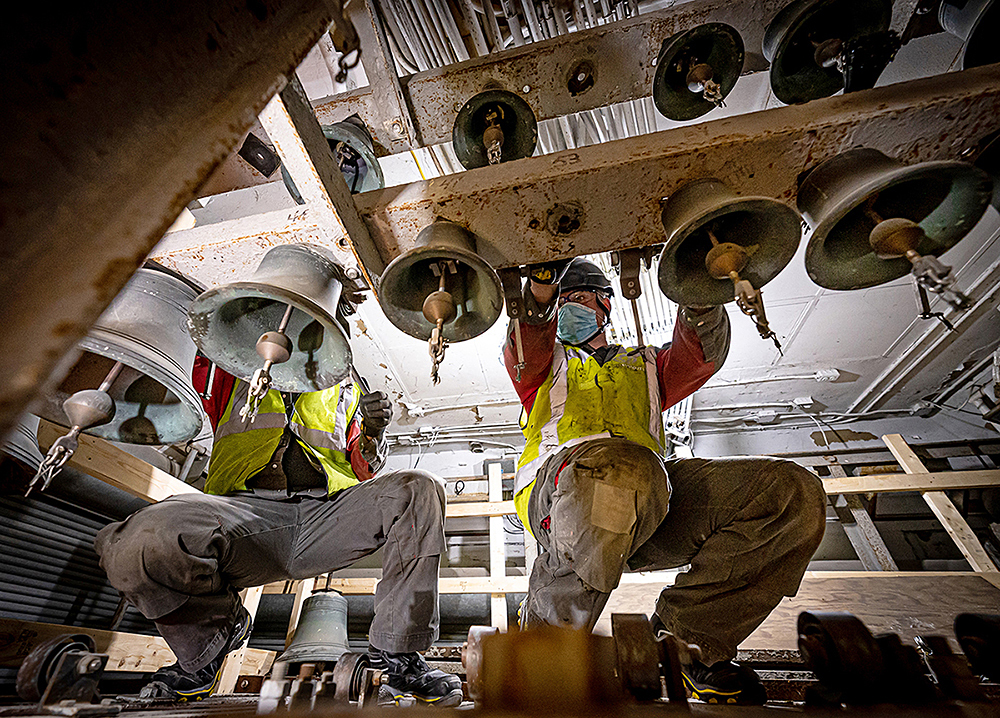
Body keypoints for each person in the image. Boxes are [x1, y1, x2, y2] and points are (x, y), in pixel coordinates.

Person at [503, 257, 827, 705]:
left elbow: (702, 353)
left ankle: (688, 643)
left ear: (605, 305)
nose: (566, 310)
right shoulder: (543, 368)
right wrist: (540, 288)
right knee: (618, 471)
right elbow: (526, 345)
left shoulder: (649, 365)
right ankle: (543, 649)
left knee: (788, 494)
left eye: (576, 298)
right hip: (561, 502)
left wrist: (698, 281)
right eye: (560, 303)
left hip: (649, 499)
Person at [95, 346, 463, 706]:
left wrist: (372, 430)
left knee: (419, 488)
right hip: (242, 513)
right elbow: (212, 341)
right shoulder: (233, 366)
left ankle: (400, 657)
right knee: (135, 542)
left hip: (326, 514)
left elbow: (363, 465)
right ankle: (208, 645)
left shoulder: (345, 384)